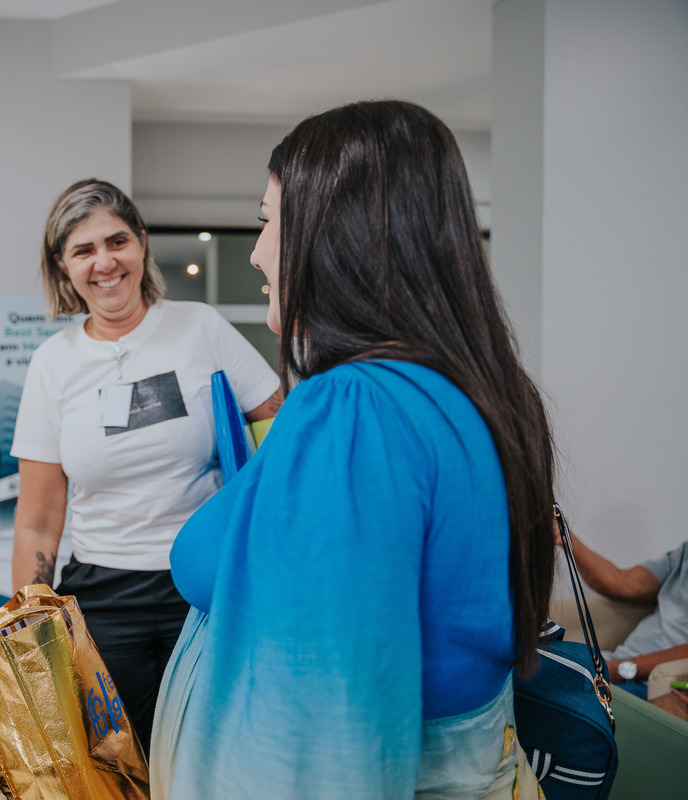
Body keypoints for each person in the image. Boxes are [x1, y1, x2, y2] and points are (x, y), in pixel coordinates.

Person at [150, 101, 554, 799]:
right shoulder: (460, 393)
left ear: (336, 233)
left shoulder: (355, 412)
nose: (255, 252)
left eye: (267, 218)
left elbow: (315, 754)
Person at [9, 178, 281, 753]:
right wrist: (31, 624)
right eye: (84, 250)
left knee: (209, 756)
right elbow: (37, 520)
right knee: (122, 766)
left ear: (142, 245)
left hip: (204, 588)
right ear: (63, 267)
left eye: (117, 241)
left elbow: (278, 432)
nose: (104, 262)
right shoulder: (53, 364)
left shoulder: (200, 328)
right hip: (104, 598)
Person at [559, 523, 688, 698]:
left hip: (658, 686)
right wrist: (565, 537)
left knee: (560, 693)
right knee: (533, 666)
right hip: (618, 665)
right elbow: (623, 583)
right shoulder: (684, 554)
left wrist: (616, 669)